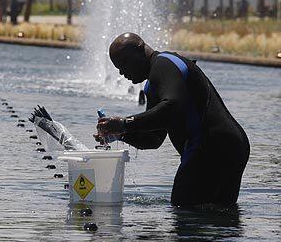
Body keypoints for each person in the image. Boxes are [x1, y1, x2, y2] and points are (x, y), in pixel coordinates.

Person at [96, 32, 250, 207]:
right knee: (219, 219)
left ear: (140, 50)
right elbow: (153, 139)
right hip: (231, 145)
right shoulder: (154, 84)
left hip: (210, 147)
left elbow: (173, 107)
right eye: (118, 68)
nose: (122, 73)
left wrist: (124, 123)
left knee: (184, 212)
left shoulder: (163, 64)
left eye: (124, 64)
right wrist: (119, 133)